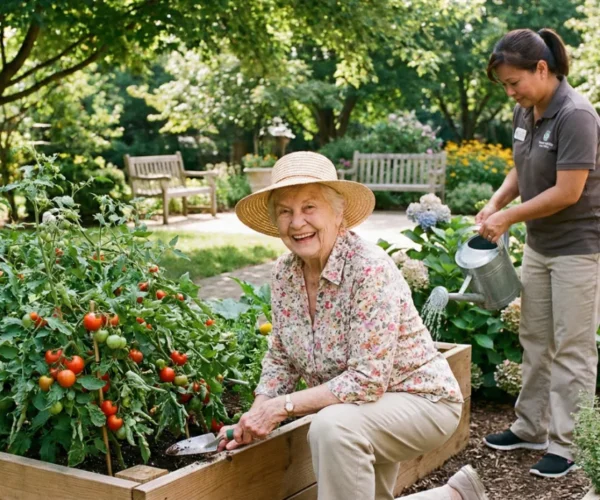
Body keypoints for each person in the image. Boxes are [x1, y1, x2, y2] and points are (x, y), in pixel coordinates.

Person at [216, 151, 488, 500]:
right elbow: (281, 357)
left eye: (309, 207)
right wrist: (255, 415)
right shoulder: (285, 273)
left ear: (338, 211)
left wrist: (281, 407)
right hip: (360, 409)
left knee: (331, 427)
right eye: (285, 211)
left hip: (420, 401)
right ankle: (454, 496)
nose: (297, 222)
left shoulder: (368, 269)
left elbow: (368, 378)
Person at [479, 28, 600, 478]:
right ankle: (531, 426)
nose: (510, 92)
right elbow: (521, 165)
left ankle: (568, 445)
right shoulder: (527, 109)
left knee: (573, 348)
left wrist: (507, 219)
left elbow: (567, 192)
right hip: (540, 245)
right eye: (506, 85)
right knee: (534, 339)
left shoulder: (577, 115)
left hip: (578, 248)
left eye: (514, 82)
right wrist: (496, 203)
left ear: (543, 69)